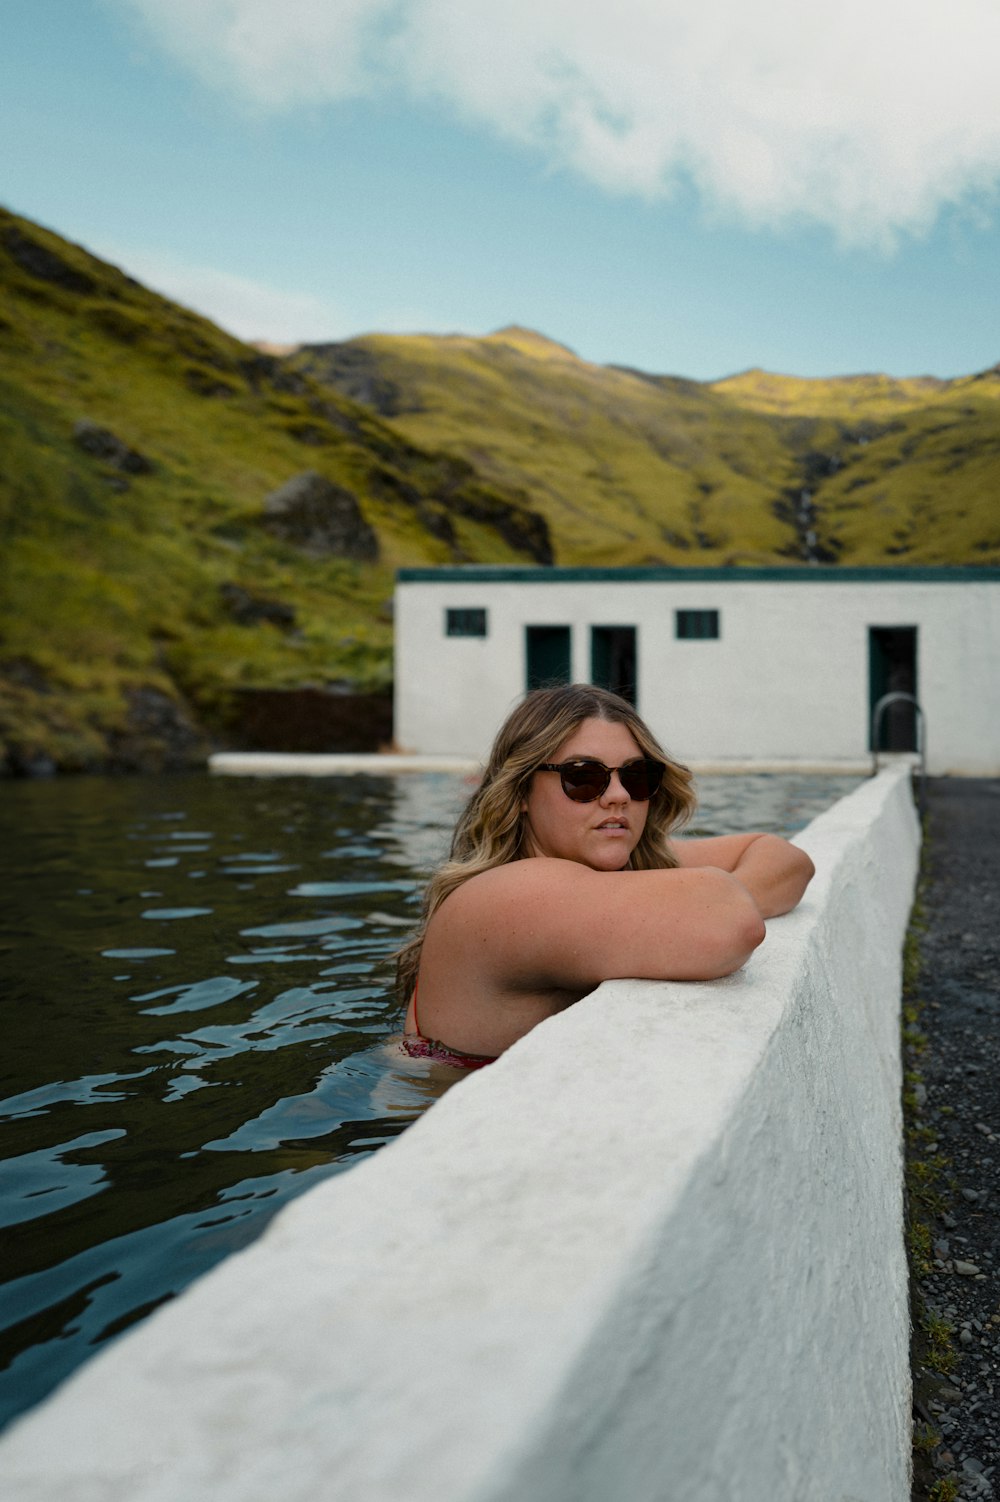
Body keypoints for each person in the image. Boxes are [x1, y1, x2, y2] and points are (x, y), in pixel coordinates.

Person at [398, 684, 814, 1069]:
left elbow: (782, 857)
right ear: (521, 792)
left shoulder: (597, 875)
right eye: (583, 776)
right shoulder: (507, 895)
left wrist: (702, 898)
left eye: (636, 776)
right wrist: (701, 899)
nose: (617, 795)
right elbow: (729, 924)